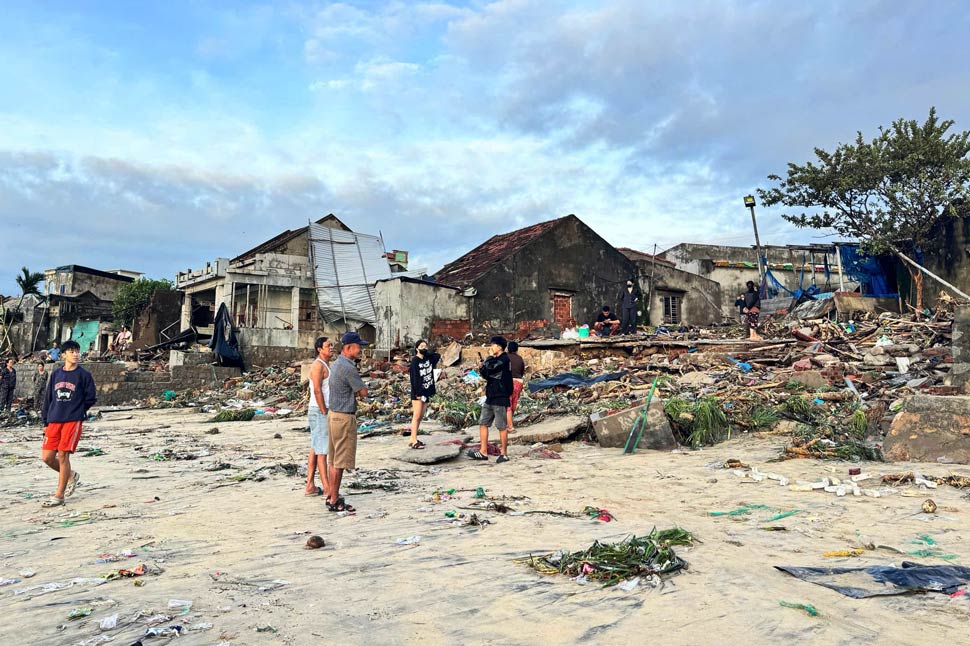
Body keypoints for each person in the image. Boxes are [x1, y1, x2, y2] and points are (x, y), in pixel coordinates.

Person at [40, 340, 96, 507]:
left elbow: (91, 398)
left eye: (77, 351)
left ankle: (59, 495)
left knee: (63, 455)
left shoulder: (84, 375)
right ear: (63, 355)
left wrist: (78, 410)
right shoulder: (56, 374)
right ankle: (71, 475)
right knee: (47, 457)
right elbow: (49, 398)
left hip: (72, 420)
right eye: (71, 351)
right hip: (54, 419)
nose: (75, 354)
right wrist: (45, 420)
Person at [326, 331, 369, 513]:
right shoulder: (349, 368)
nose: (360, 350)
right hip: (344, 417)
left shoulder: (336, 364)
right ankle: (335, 499)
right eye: (358, 347)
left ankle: (331, 494)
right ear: (348, 348)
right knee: (340, 462)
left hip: (333, 415)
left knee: (333, 459)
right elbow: (363, 392)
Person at [467, 335, 513, 463]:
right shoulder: (494, 359)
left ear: (499, 347)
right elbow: (487, 374)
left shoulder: (504, 359)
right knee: (483, 423)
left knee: (501, 426)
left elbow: (492, 367)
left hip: (500, 396)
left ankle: (504, 454)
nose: (491, 347)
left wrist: (488, 359)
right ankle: (483, 451)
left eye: (493, 345)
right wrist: (481, 367)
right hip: (490, 396)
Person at [305, 336, 334, 497]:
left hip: (319, 410)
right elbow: (317, 390)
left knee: (316, 447)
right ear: (319, 349)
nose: (331, 347)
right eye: (328, 345)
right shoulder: (318, 366)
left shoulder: (325, 365)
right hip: (318, 410)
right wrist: (324, 411)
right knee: (322, 451)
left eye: (331, 345)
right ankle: (327, 488)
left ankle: (310, 485)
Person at [407, 339, 440, 449]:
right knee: (416, 416)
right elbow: (414, 378)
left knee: (420, 416)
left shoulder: (428, 359)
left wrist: (426, 352)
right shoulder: (415, 361)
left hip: (426, 391)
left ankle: (413, 438)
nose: (424, 348)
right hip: (418, 392)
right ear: (416, 348)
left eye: (425, 346)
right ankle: (413, 440)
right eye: (421, 346)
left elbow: (437, 355)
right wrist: (418, 393)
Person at [505, 341, 527, 433]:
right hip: (518, 382)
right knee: (513, 403)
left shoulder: (505, 357)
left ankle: (510, 427)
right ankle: (509, 423)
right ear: (517, 349)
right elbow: (522, 372)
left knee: (507, 405)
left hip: (508, 381)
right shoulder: (520, 358)